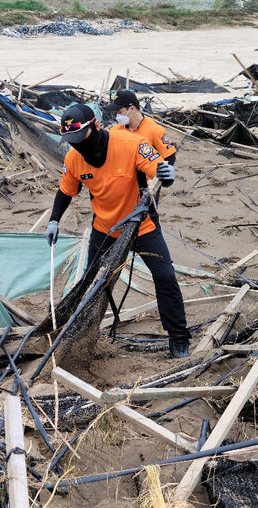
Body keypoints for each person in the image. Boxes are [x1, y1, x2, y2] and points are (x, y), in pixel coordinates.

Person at [45, 103, 190, 358]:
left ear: (97, 126)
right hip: (105, 230)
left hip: (141, 226)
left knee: (165, 277)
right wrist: (54, 221)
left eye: (80, 138)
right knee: (95, 285)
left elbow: (156, 170)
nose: (77, 145)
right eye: (71, 140)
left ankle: (178, 337)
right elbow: (66, 191)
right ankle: (86, 337)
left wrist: (167, 175)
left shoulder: (130, 143)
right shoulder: (73, 159)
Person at [103, 89, 177, 168]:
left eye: (120, 112)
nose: (117, 116)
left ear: (132, 109)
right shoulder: (115, 131)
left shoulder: (155, 130)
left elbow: (169, 157)